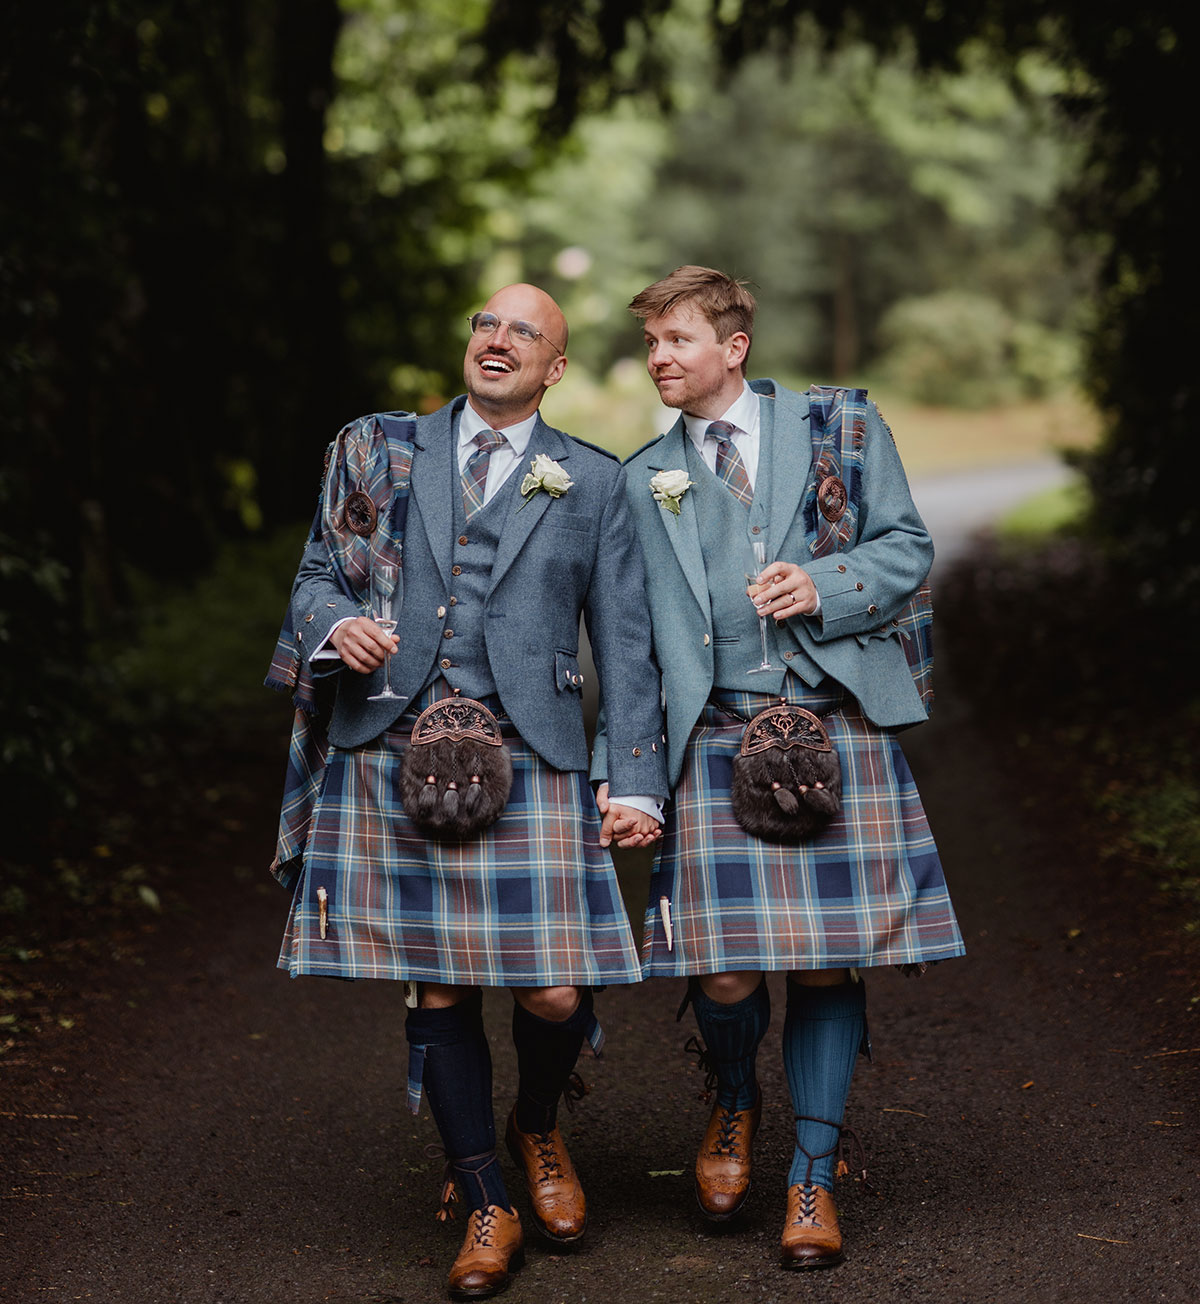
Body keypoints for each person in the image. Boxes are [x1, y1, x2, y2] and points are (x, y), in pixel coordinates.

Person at [276, 284, 666, 1302]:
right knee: (440, 980)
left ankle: (536, 1121)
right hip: (396, 741)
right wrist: (336, 629)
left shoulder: (592, 481)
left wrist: (636, 779)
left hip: (530, 751)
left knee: (553, 989)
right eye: (486, 325)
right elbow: (318, 572)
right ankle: (486, 1192)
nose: (497, 341)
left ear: (557, 369)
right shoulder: (379, 448)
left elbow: (626, 641)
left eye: (523, 332)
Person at [621, 266, 964, 1271]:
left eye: (677, 340)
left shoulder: (843, 432)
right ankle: (734, 1101)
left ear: (734, 347)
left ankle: (812, 1173)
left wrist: (824, 581)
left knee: (825, 957)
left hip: (834, 723)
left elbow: (907, 547)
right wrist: (628, 770)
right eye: (650, 345)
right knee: (722, 972)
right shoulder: (645, 476)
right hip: (716, 733)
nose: (659, 360)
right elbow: (633, 645)